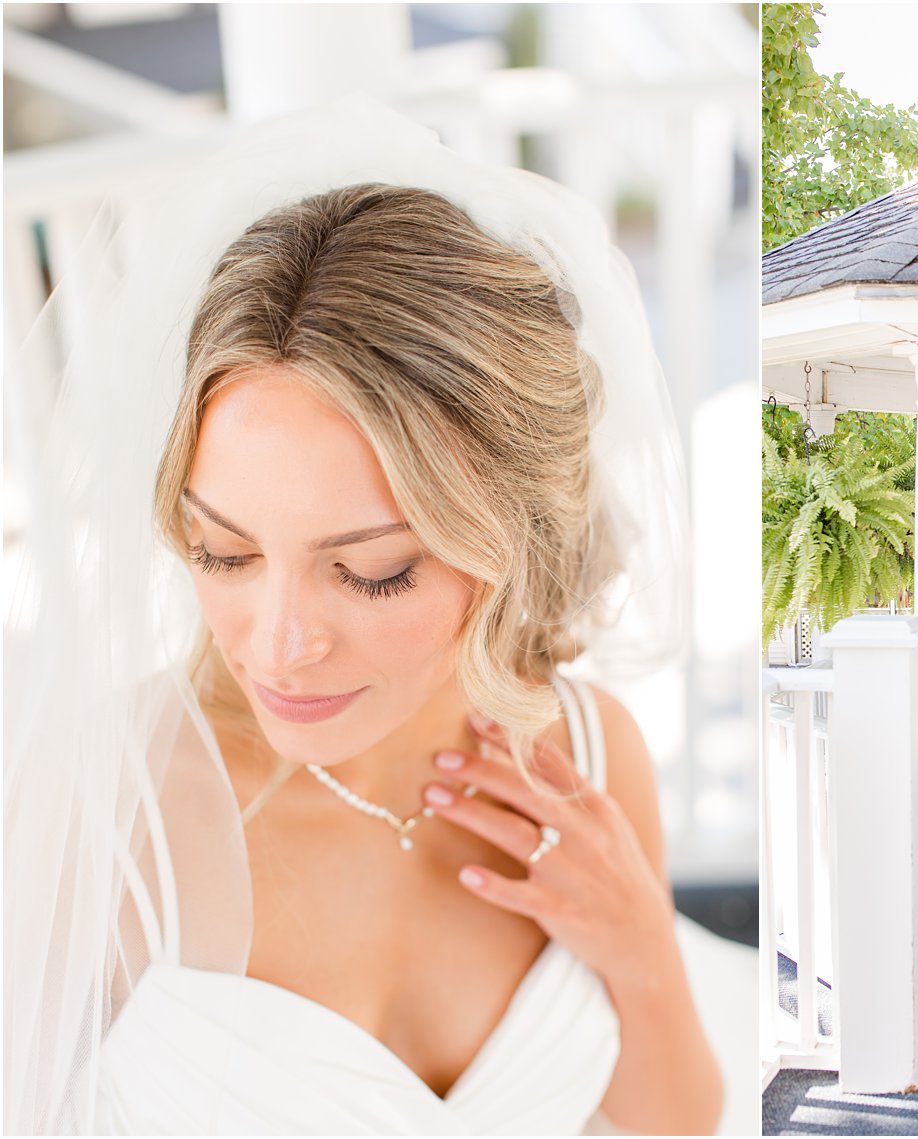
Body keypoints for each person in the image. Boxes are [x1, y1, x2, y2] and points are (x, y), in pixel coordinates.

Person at [4, 103, 726, 1135]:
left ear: (509, 542)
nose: (279, 641)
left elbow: (678, 1118)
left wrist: (641, 948)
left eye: (372, 571)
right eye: (224, 552)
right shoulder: (111, 807)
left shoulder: (585, 754)